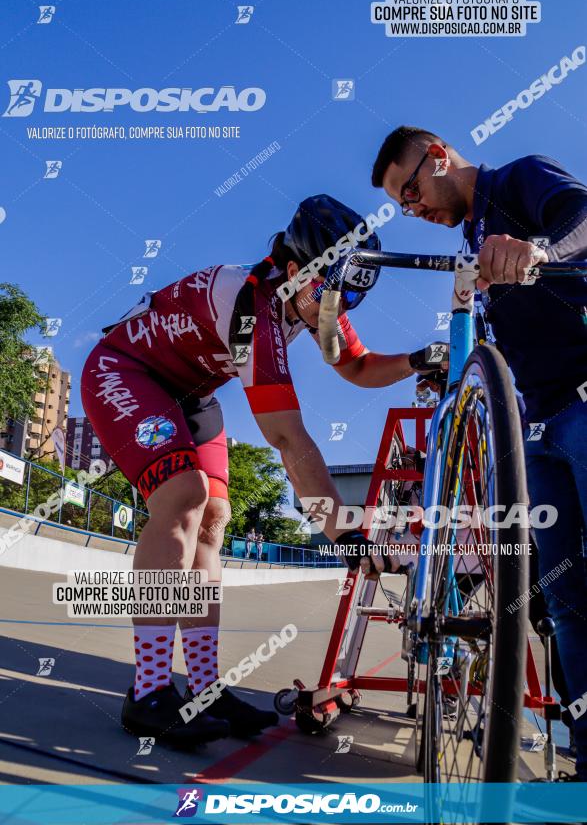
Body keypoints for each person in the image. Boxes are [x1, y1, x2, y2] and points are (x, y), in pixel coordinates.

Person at [81, 194, 443, 749]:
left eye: (351, 297)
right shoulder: (249, 303)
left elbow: (359, 366)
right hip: (127, 372)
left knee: (214, 518)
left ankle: (201, 686)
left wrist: (417, 360)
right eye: (333, 292)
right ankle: (149, 691)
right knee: (182, 495)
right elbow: (285, 437)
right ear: (298, 270)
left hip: (189, 392)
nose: (338, 309)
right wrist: (341, 530)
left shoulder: (310, 297)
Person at [371, 125, 587, 779]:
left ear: (437, 154)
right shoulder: (469, 243)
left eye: (410, 190)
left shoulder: (518, 179)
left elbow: (582, 217)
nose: (415, 209)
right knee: (568, 604)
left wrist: (537, 250)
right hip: (539, 424)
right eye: (402, 206)